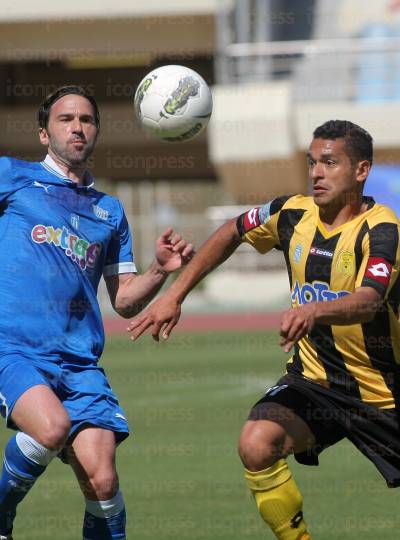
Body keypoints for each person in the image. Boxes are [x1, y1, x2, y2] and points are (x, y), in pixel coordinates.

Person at [128, 119, 400, 540]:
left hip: (385, 393)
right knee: (256, 443)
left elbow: (370, 300)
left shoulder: (383, 230)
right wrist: (175, 294)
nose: (316, 172)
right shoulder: (290, 213)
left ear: (361, 170)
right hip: (315, 384)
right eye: (312, 162)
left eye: (330, 162)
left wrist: (316, 312)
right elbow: (232, 231)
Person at [0, 85, 194, 540]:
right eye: (66, 119)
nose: (77, 127)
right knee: (51, 428)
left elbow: (125, 299)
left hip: (80, 362)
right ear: (44, 133)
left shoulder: (109, 211)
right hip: (15, 348)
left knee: (103, 481)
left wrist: (160, 270)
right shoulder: (13, 177)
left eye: (87, 120)